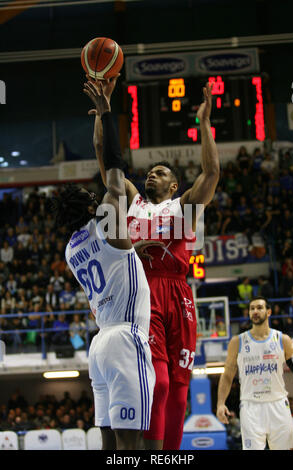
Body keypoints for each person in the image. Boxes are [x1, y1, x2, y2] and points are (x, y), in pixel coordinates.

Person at [91, 80, 219, 449]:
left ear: (175, 184)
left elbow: (210, 174)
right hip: (142, 294)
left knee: (180, 391)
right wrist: (104, 112)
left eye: (161, 172)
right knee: (158, 382)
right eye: (150, 171)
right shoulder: (132, 199)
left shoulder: (183, 207)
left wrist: (205, 123)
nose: (152, 174)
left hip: (178, 294)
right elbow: (106, 156)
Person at [48, 77, 155, 451]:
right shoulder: (108, 223)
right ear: (90, 206)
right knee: (131, 444)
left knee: (109, 441)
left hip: (100, 345)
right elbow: (113, 166)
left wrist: (100, 118)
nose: (97, 195)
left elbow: (106, 171)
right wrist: (107, 114)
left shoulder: (71, 249)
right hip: (126, 338)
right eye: (90, 195)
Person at [216, 296, 293, 450]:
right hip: (251, 407)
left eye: (259, 308)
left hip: (278, 405)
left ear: (268, 312)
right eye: (252, 308)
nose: (255, 311)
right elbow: (227, 376)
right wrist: (221, 403)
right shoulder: (237, 342)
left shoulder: (283, 340)